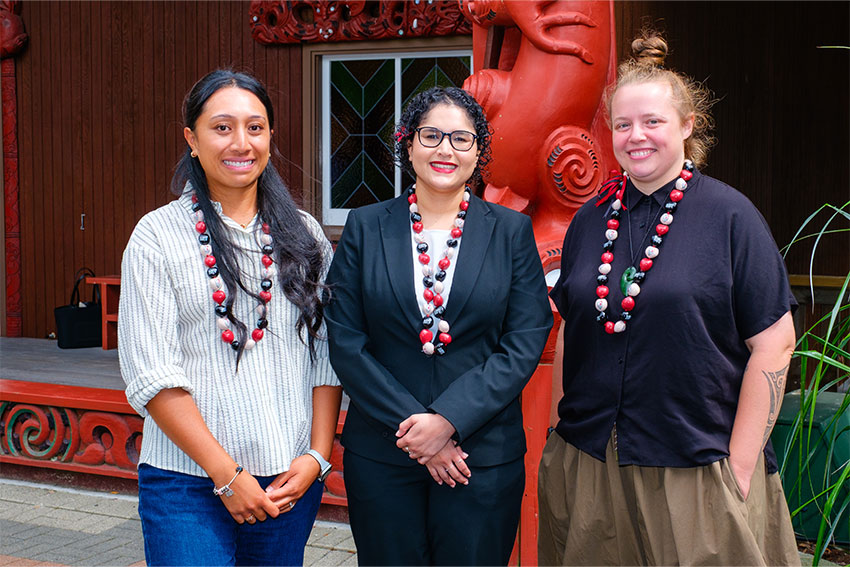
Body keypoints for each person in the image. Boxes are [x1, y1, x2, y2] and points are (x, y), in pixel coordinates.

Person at [538, 32, 801, 566]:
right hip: (590, 462)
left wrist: (741, 467)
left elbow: (775, 344)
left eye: (653, 122)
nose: (637, 136)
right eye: (623, 124)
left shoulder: (730, 217)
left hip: (698, 466)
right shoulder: (590, 223)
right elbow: (572, 328)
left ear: (687, 126)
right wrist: (560, 431)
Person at [118, 69, 342, 566]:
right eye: (222, 127)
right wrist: (227, 475)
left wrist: (318, 457)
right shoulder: (157, 236)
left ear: (270, 137)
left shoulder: (303, 235)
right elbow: (152, 374)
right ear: (191, 140)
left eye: (255, 127)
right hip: (187, 485)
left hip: (289, 481)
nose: (241, 143)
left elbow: (327, 356)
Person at [325, 86, 553, 566]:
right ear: (407, 145)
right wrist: (417, 432)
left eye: (461, 139)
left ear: (479, 153)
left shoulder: (511, 232)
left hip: (481, 458)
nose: (444, 149)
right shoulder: (366, 227)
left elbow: (526, 338)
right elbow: (345, 340)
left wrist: (448, 420)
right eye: (431, 136)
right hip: (384, 452)